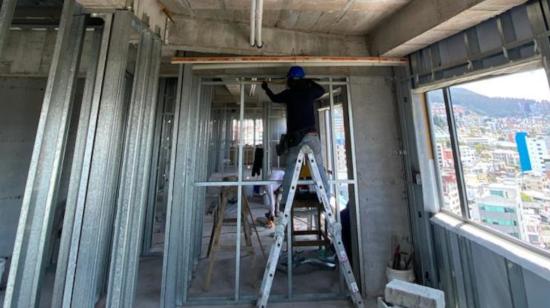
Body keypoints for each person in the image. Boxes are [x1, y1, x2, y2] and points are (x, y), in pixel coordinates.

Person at [261, 66, 331, 216]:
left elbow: (274, 98)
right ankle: (326, 198)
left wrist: (266, 88)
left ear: (290, 80)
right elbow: (322, 90)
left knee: (291, 170)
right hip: (311, 136)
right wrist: (309, 81)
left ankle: (285, 202)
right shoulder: (310, 91)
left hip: (296, 139)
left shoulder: (289, 93)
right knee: (319, 167)